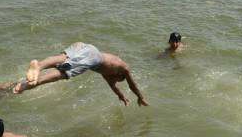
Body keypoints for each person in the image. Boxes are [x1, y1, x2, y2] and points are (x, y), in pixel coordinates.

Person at [13, 42, 148, 106]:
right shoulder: (123, 68)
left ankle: (39, 66)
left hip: (85, 47)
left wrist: (121, 97)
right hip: (93, 57)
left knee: (62, 59)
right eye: (118, 80)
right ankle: (33, 84)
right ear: (120, 76)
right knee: (65, 73)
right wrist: (140, 97)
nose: (115, 81)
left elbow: (113, 87)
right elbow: (132, 85)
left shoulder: (109, 71)